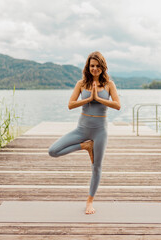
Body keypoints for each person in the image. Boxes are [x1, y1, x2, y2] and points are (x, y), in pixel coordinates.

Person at [48, 51, 121, 214]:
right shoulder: (81, 83)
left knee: (97, 167)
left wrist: (98, 98)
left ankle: (89, 201)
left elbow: (117, 105)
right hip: (82, 129)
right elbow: (70, 104)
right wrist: (88, 99)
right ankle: (85, 146)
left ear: (103, 67)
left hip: (100, 131)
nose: (94, 69)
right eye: (92, 66)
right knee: (52, 151)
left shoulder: (110, 84)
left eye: (97, 66)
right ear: (88, 67)